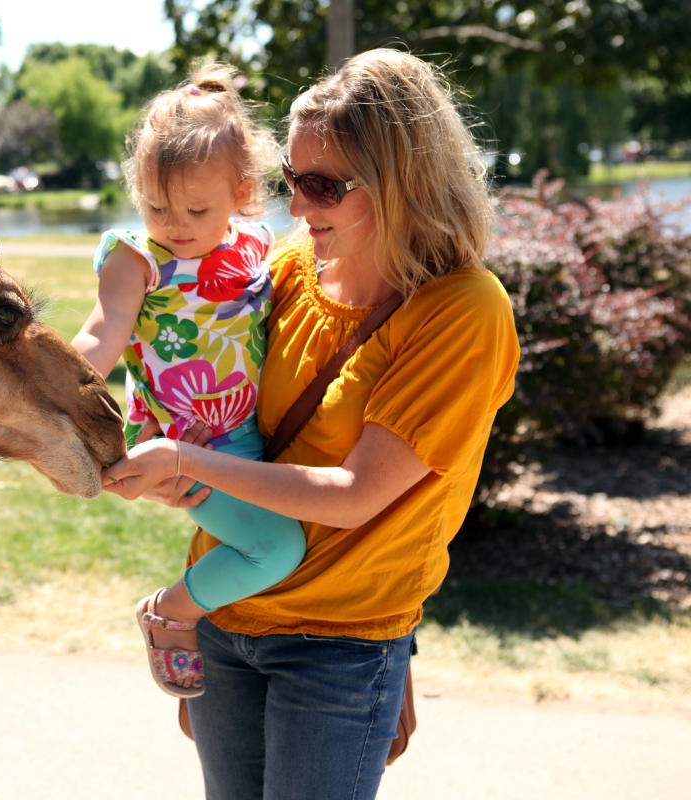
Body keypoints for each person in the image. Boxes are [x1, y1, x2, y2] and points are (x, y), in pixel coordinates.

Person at [102, 48, 521, 799]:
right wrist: (178, 457)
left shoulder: (463, 311)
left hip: (341, 649)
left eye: (323, 185)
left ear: (404, 182)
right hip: (226, 618)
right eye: (293, 179)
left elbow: (358, 494)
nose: (296, 206)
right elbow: (220, 418)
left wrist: (396, 655)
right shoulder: (285, 272)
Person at [71, 64, 306, 698]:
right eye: (155, 204)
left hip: (246, 433)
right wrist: (55, 392)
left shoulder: (258, 241)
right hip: (185, 442)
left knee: (290, 540)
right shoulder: (136, 255)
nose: (174, 222)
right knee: (278, 548)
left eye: (197, 208)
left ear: (242, 192)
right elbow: (104, 331)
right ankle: (172, 611)